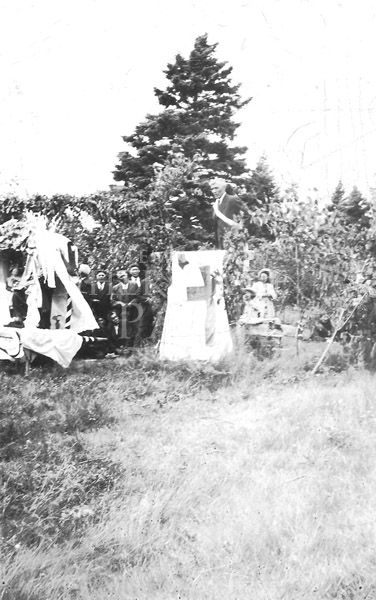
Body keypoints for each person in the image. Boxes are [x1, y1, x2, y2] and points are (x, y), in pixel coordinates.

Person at [209, 178, 246, 249]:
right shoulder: (216, 204)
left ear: (224, 188)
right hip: (220, 242)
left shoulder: (232, 199)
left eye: (216, 188)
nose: (214, 191)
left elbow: (246, 216)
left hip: (233, 241)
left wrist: (239, 229)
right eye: (212, 189)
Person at [125, 263, 153, 348]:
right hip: (133, 307)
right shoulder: (127, 280)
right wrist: (146, 299)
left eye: (137, 269)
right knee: (135, 327)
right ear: (129, 271)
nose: (135, 271)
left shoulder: (145, 280)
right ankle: (132, 347)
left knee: (147, 327)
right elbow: (138, 294)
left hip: (147, 307)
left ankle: (146, 346)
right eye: (133, 269)